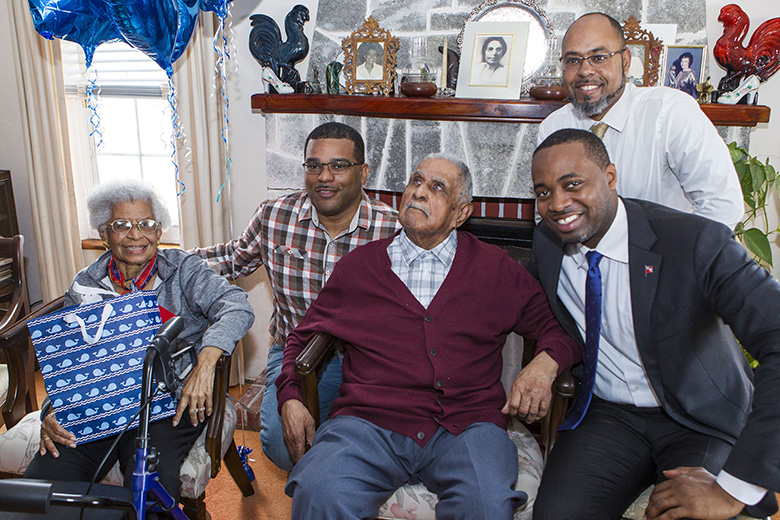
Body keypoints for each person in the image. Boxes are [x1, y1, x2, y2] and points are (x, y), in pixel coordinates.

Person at [276, 154, 578, 519]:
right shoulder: (359, 269)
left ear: (460, 214)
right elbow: (302, 337)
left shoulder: (496, 270)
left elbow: (559, 327)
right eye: (415, 181)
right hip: (368, 423)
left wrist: (546, 364)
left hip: (469, 426)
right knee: (318, 489)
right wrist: (291, 396)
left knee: (485, 504)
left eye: (437, 187)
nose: (419, 192)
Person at [515, 128, 780, 520]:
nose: (557, 203)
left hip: (698, 417)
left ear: (610, 178)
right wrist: (547, 358)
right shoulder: (547, 243)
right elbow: (531, 307)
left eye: (573, 184)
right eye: (543, 192)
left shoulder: (695, 243)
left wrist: (733, 489)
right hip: (610, 417)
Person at [24, 180, 255, 504]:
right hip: (98, 403)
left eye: (146, 224)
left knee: (150, 486)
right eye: (121, 225)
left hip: (170, 403)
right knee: (42, 485)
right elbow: (67, 360)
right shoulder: (85, 283)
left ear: (159, 231)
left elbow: (236, 305)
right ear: (104, 233)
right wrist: (52, 410)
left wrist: (205, 362)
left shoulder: (183, 269)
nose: (136, 235)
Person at [191, 122, 399, 471]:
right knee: (286, 449)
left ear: (363, 172)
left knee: (369, 441)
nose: (324, 177)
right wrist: (162, 263)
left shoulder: (392, 230)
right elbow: (232, 258)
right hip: (293, 354)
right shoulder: (275, 216)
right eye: (314, 165)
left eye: (338, 165)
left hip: (366, 359)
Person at [537, 12, 744, 229]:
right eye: (573, 61)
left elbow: (723, 207)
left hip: (666, 256)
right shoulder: (553, 127)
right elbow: (547, 218)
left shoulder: (671, 113)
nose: (585, 71)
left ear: (625, 61)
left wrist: (672, 258)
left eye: (599, 58)